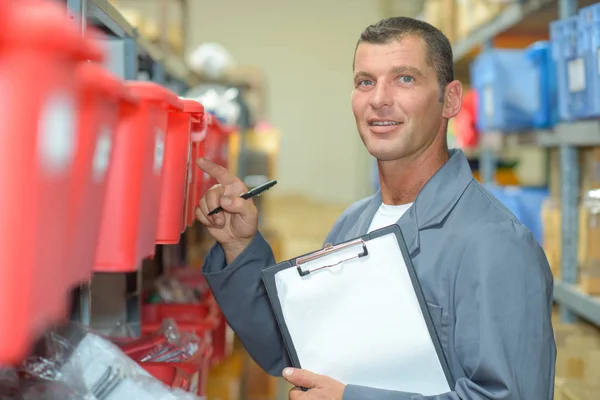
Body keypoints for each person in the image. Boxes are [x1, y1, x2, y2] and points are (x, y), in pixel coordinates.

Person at [195, 16, 556, 400]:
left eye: (405, 79)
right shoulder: (353, 224)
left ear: (450, 99)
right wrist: (238, 247)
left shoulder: (495, 243)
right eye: (365, 81)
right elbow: (299, 354)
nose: (379, 99)